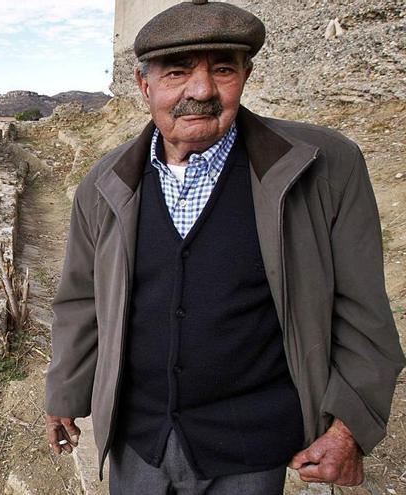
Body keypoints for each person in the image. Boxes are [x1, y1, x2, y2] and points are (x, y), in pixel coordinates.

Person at [43, 1, 405, 493]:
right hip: (138, 441)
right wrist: (65, 392)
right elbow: (80, 302)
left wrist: (350, 427)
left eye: (222, 69)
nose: (202, 90)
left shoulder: (327, 167)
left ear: (246, 75)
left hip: (251, 448)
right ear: (143, 85)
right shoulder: (104, 183)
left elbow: (363, 311)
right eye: (176, 72)